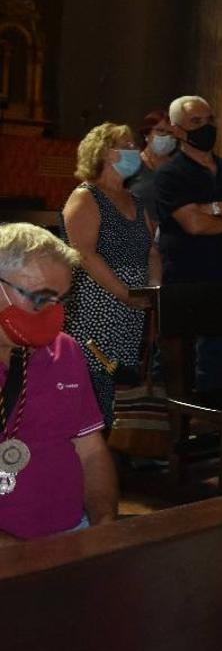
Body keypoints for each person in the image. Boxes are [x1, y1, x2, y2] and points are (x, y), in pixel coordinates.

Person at [0, 224, 118, 541]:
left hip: (73, 532)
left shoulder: (64, 350)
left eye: (60, 301)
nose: (52, 315)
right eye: (39, 299)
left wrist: (104, 520)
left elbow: (90, 449)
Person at [152, 95, 222, 399]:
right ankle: (174, 427)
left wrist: (214, 207)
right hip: (187, 277)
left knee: (216, 358)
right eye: (196, 122)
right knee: (179, 360)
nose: (207, 127)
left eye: (210, 120)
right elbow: (194, 225)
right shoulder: (170, 174)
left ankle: (210, 423)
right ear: (177, 130)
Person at [61, 123, 159, 426]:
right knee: (94, 380)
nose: (135, 151)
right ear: (104, 152)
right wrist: (124, 294)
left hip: (133, 305)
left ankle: (120, 444)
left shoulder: (135, 200)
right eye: (126, 145)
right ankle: (90, 447)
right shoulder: (86, 197)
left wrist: (153, 290)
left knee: (122, 381)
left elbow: (152, 250)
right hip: (97, 303)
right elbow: (85, 254)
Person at [124, 109, 176, 215]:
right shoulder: (132, 164)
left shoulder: (179, 166)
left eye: (170, 132)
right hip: (139, 227)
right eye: (160, 131)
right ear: (146, 134)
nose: (166, 136)